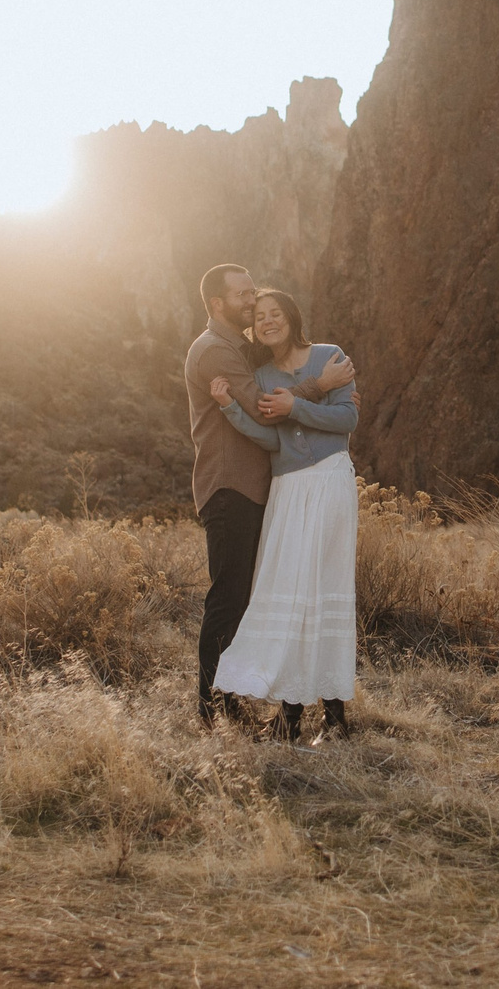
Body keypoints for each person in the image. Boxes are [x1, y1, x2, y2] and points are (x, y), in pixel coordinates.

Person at [185, 264, 354, 727]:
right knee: (229, 599)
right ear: (217, 303)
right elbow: (264, 415)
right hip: (230, 487)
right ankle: (211, 707)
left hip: (266, 487)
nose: (251, 302)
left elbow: (317, 415)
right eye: (242, 296)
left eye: (253, 293)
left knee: (248, 598)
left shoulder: (244, 350)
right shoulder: (216, 351)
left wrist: (322, 399)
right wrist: (319, 387)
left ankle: (235, 702)